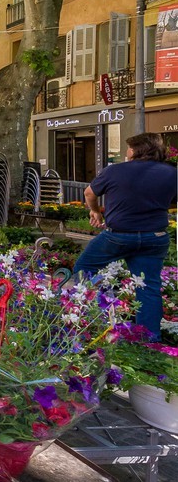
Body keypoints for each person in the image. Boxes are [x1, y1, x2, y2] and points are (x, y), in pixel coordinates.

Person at [73, 132, 177, 339]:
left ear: (136, 150)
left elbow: (89, 193)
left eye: (128, 147)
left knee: (84, 268)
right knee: (148, 287)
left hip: (118, 236)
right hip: (154, 237)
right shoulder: (172, 173)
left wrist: (95, 211)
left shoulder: (115, 171)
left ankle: (93, 317)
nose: (126, 151)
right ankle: (149, 341)